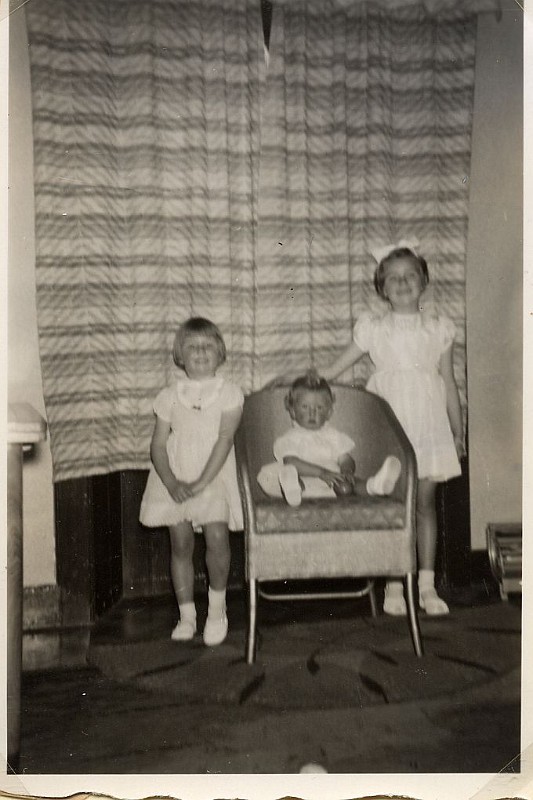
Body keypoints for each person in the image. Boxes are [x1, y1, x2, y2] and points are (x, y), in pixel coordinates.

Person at [267, 240, 465, 616]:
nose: (402, 283)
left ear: (424, 281)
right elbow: (333, 369)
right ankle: (394, 582)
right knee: (393, 501)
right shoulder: (374, 328)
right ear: (381, 288)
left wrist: (458, 431)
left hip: (429, 424)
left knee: (423, 503)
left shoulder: (439, 328)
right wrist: (296, 376)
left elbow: (450, 383)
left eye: (410, 275)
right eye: (393, 278)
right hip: (390, 421)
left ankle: (426, 585)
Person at [139, 317, 244, 646]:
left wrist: (200, 483)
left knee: (217, 538)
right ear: (179, 355)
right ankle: (187, 615)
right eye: (192, 346)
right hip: (176, 474)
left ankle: (217, 611)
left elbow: (225, 440)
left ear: (220, 353)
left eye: (208, 346)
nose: (200, 352)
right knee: (181, 544)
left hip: (213, 473)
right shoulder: (169, 395)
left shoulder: (230, 393)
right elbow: (158, 445)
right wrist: (172, 482)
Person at [257, 370, 401, 507]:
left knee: (351, 484)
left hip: (332, 480)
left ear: (329, 413)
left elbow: (345, 459)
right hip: (303, 478)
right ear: (293, 411)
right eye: (305, 407)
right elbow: (291, 461)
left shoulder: (334, 435)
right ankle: (293, 489)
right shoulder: (290, 438)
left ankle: (376, 486)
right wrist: (321, 473)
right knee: (278, 475)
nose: (312, 413)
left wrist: (347, 471)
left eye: (319, 408)